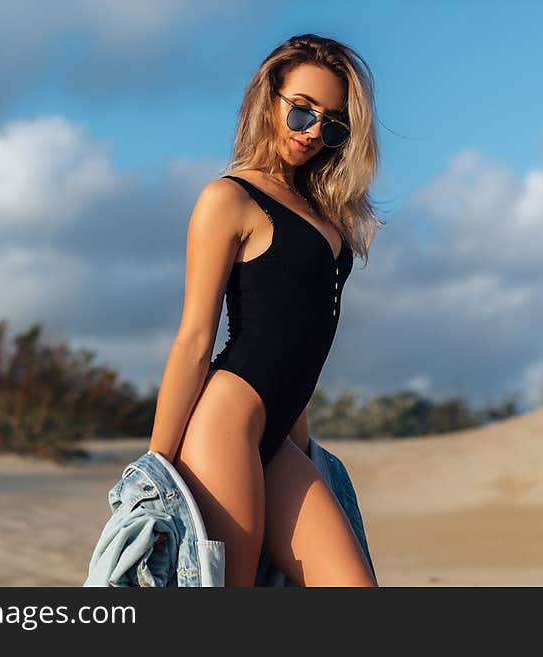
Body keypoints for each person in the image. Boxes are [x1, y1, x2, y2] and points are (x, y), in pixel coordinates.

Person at [147, 33, 382, 587]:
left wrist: (302, 446)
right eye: (301, 112)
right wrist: (154, 470)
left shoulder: (319, 208)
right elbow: (195, 340)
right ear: (269, 97)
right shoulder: (227, 199)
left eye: (332, 124)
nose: (313, 133)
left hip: (282, 433)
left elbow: (300, 344)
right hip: (227, 422)